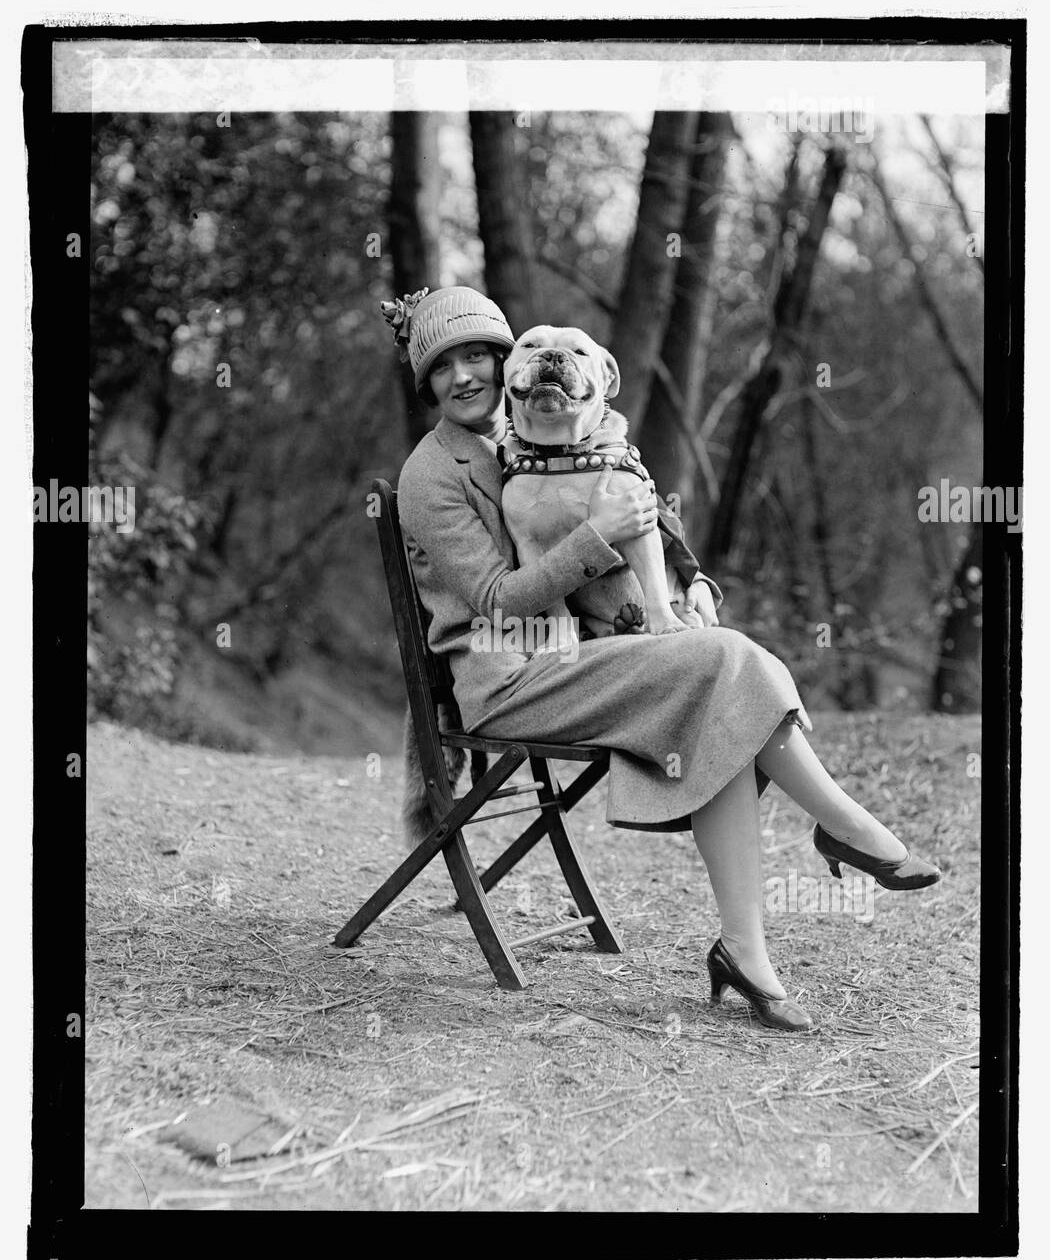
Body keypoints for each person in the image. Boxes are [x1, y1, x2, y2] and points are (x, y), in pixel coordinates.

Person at [384, 286, 941, 1032]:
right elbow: (493, 599)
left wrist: (693, 583)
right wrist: (598, 536)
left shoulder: (527, 437)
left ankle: (746, 952)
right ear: (427, 384)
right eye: (444, 366)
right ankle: (844, 825)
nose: (465, 376)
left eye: (478, 354)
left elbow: (648, 516)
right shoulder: (432, 473)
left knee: (720, 696)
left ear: (502, 358)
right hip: (511, 677)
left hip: (576, 658)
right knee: (723, 667)